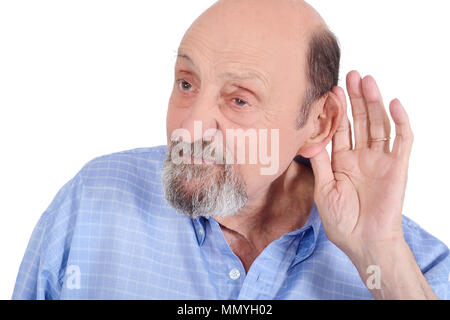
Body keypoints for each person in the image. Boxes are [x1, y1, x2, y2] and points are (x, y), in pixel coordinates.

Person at [13, 0, 449, 299]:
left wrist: (382, 257)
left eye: (238, 99)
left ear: (319, 123)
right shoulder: (91, 203)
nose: (189, 127)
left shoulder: (417, 269)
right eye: (187, 83)